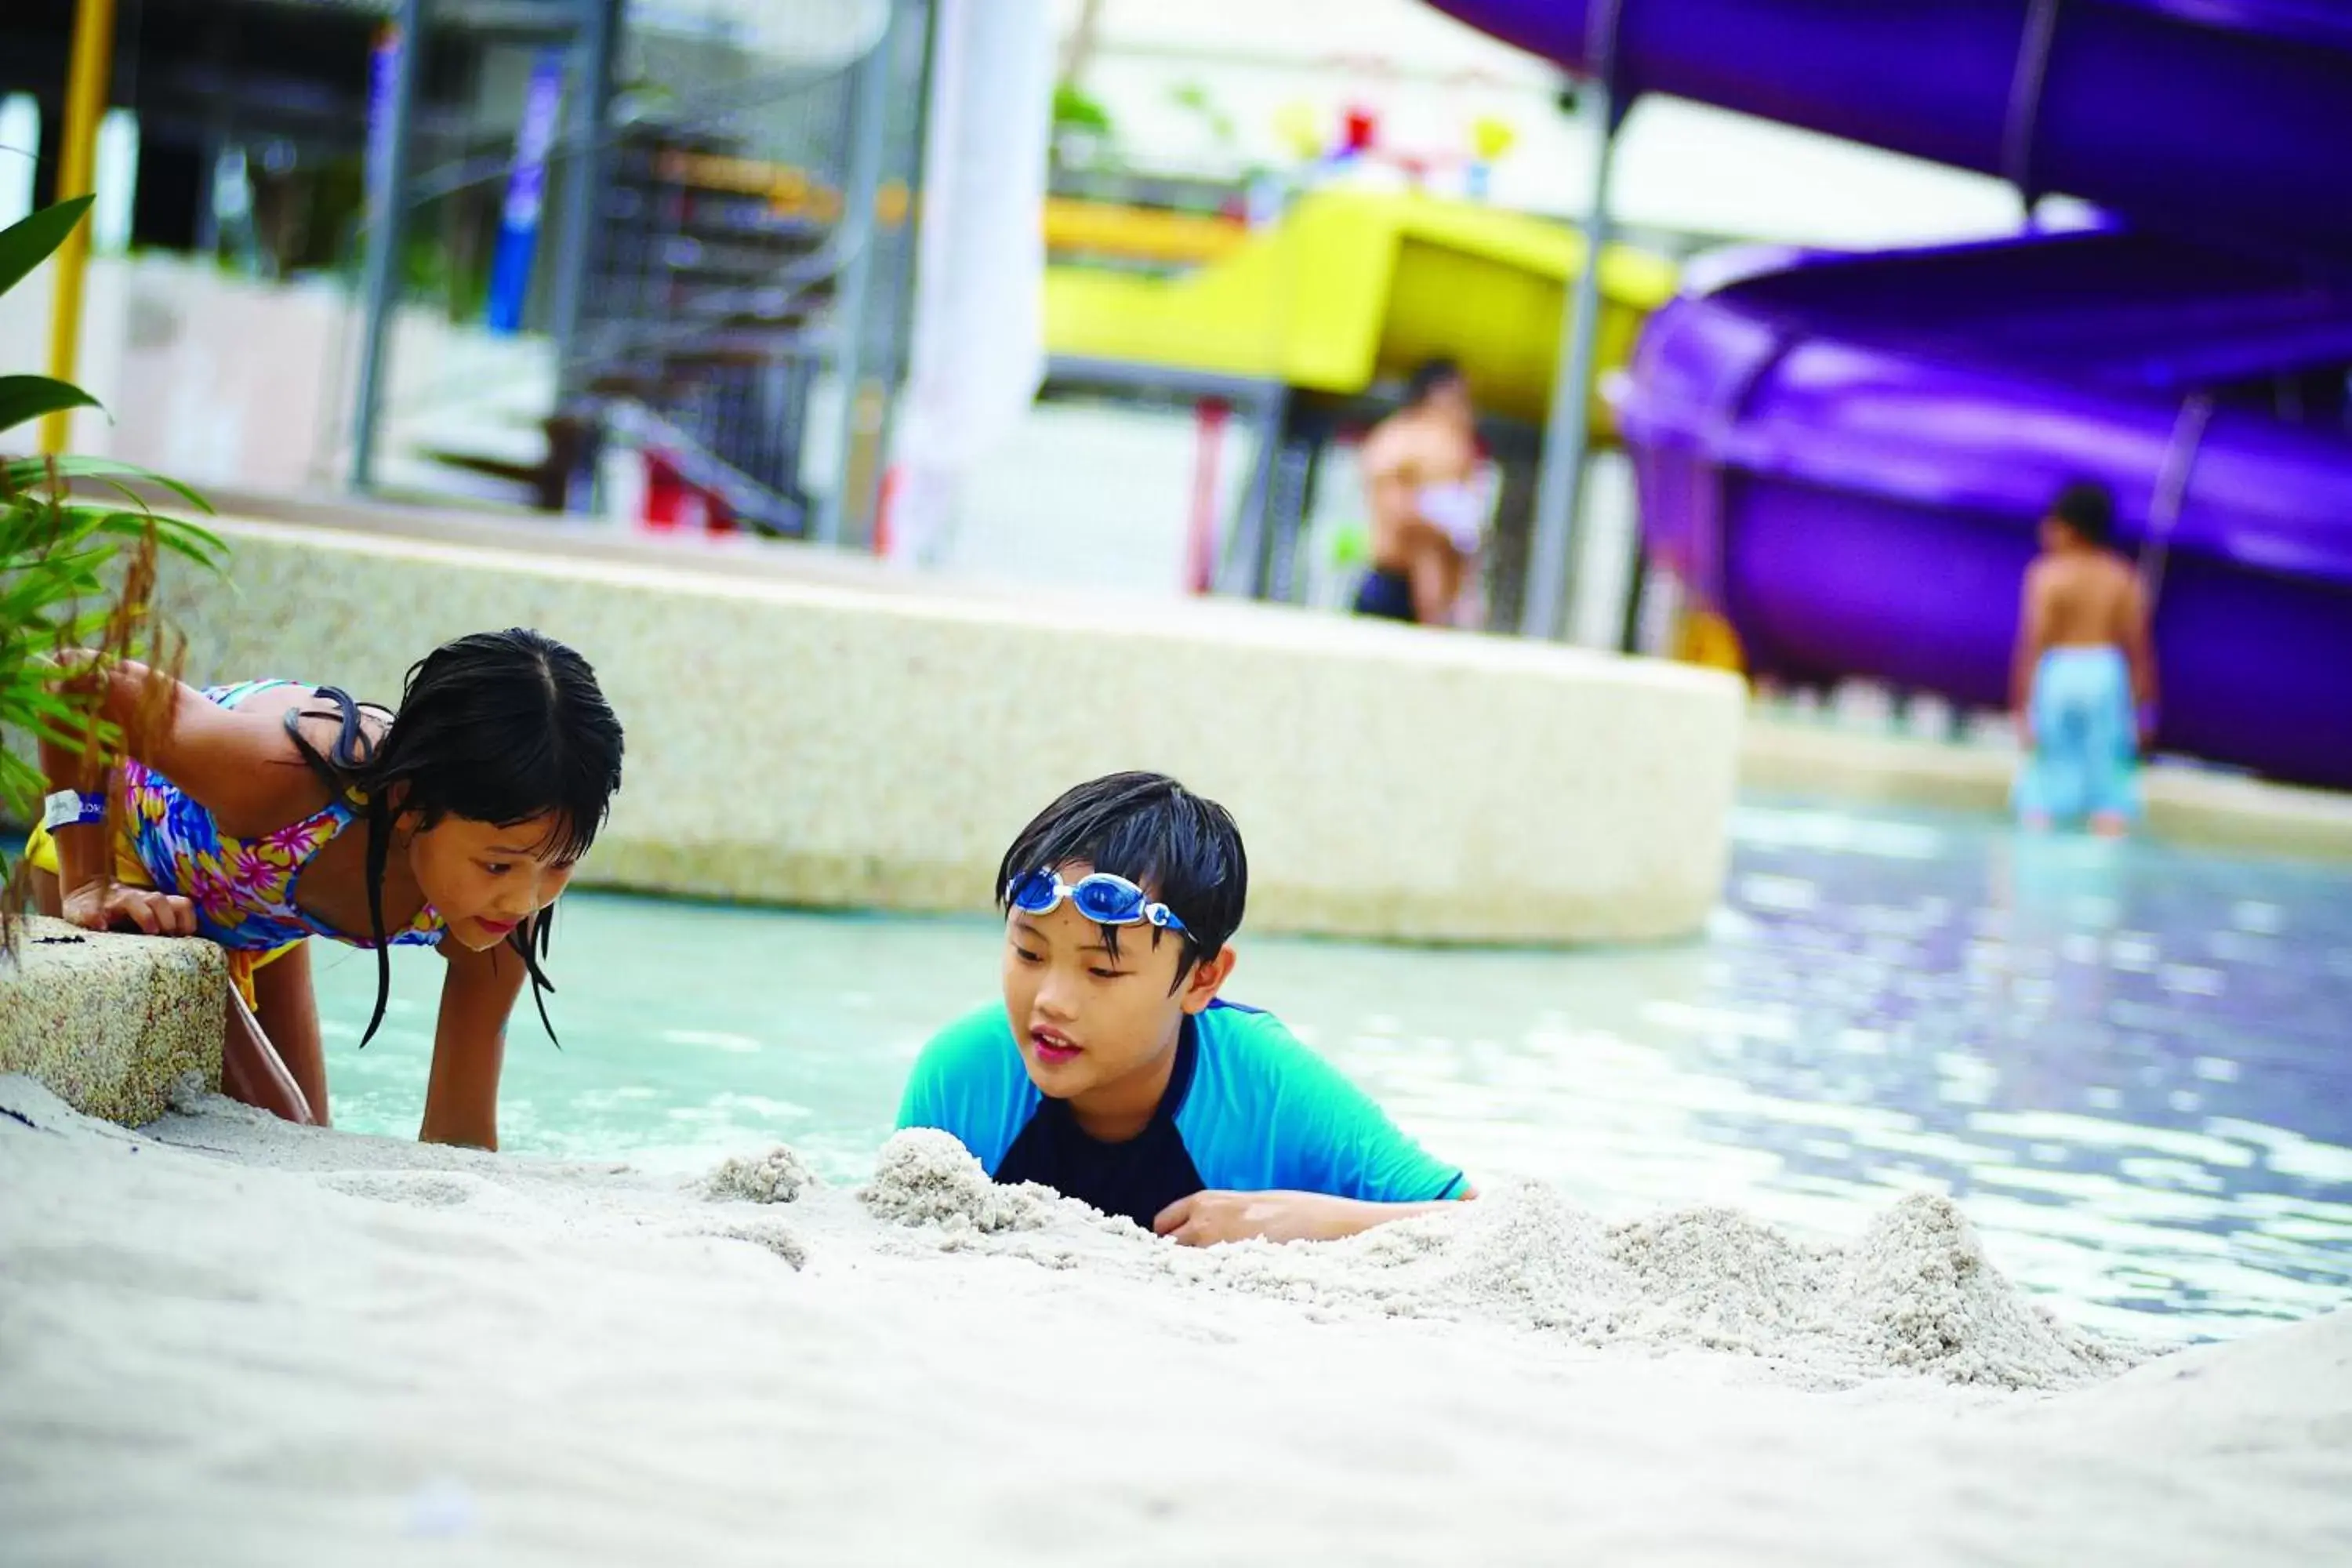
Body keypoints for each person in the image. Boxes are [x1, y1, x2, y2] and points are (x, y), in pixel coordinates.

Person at [24, 629, 625, 1147]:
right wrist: (90, 879)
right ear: (407, 807)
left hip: (258, 908)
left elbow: (460, 1133)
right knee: (276, 1129)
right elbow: (77, 681)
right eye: (498, 867)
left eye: (559, 864)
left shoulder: (502, 910)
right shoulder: (277, 777)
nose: (525, 900)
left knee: (310, 1142)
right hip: (136, 858)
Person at [895, 771, 1473, 1244]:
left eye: (1102, 970)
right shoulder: (962, 1076)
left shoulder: (1269, 1087)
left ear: (1202, 979)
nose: (1051, 1001)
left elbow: (1491, 1224)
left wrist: (1315, 1222)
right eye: (1028, 952)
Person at [2012, 481, 2157, 836]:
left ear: (2070, 529)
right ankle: (2107, 838)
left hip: (2059, 670)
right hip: (2106, 671)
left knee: (2043, 776)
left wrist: (2021, 706)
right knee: (2108, 775)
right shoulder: (2122, 576)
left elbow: (2033, 644)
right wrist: (2145, 710)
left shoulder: (2047, 575)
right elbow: (2139, 648)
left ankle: (2036, 842)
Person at [1352, 356, 1486, 627]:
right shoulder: (1400, 439)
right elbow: (1397, 512)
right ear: (1437, 393)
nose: (1466, 406)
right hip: (1395, 580)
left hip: (1436, 591)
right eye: (1460, 395)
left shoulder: (1457, 443)